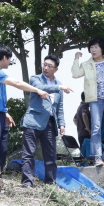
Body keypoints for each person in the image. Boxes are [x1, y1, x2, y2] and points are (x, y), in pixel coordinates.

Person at [0, 45, 50, 189]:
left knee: (2, 149)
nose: (9, 62)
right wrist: (37, 90)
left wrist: (4, 113)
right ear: (5, 58)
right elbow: (17, 83)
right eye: (10, 59)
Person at [20, 55, 72, 187]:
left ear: (56, 69)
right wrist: (59, 87)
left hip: (49, 123)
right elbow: (41, 88)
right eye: (45, 64)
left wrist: (61, 124)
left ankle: (50, 183)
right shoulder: (35, 78)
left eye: (50, 66)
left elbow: (59, 108)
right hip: (33, 120)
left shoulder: (58, 85)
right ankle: (27, 183)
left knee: (50, 155)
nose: (46, 68)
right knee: (28, 153)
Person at [71, 38, 104, 166]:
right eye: (91, 47)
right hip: (95, 99)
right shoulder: (87, 64)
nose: (93, 50)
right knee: (96, 127)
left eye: (95, 47)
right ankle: (97, 157)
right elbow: (75, 74)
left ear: (102, 48)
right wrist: (76, 58)